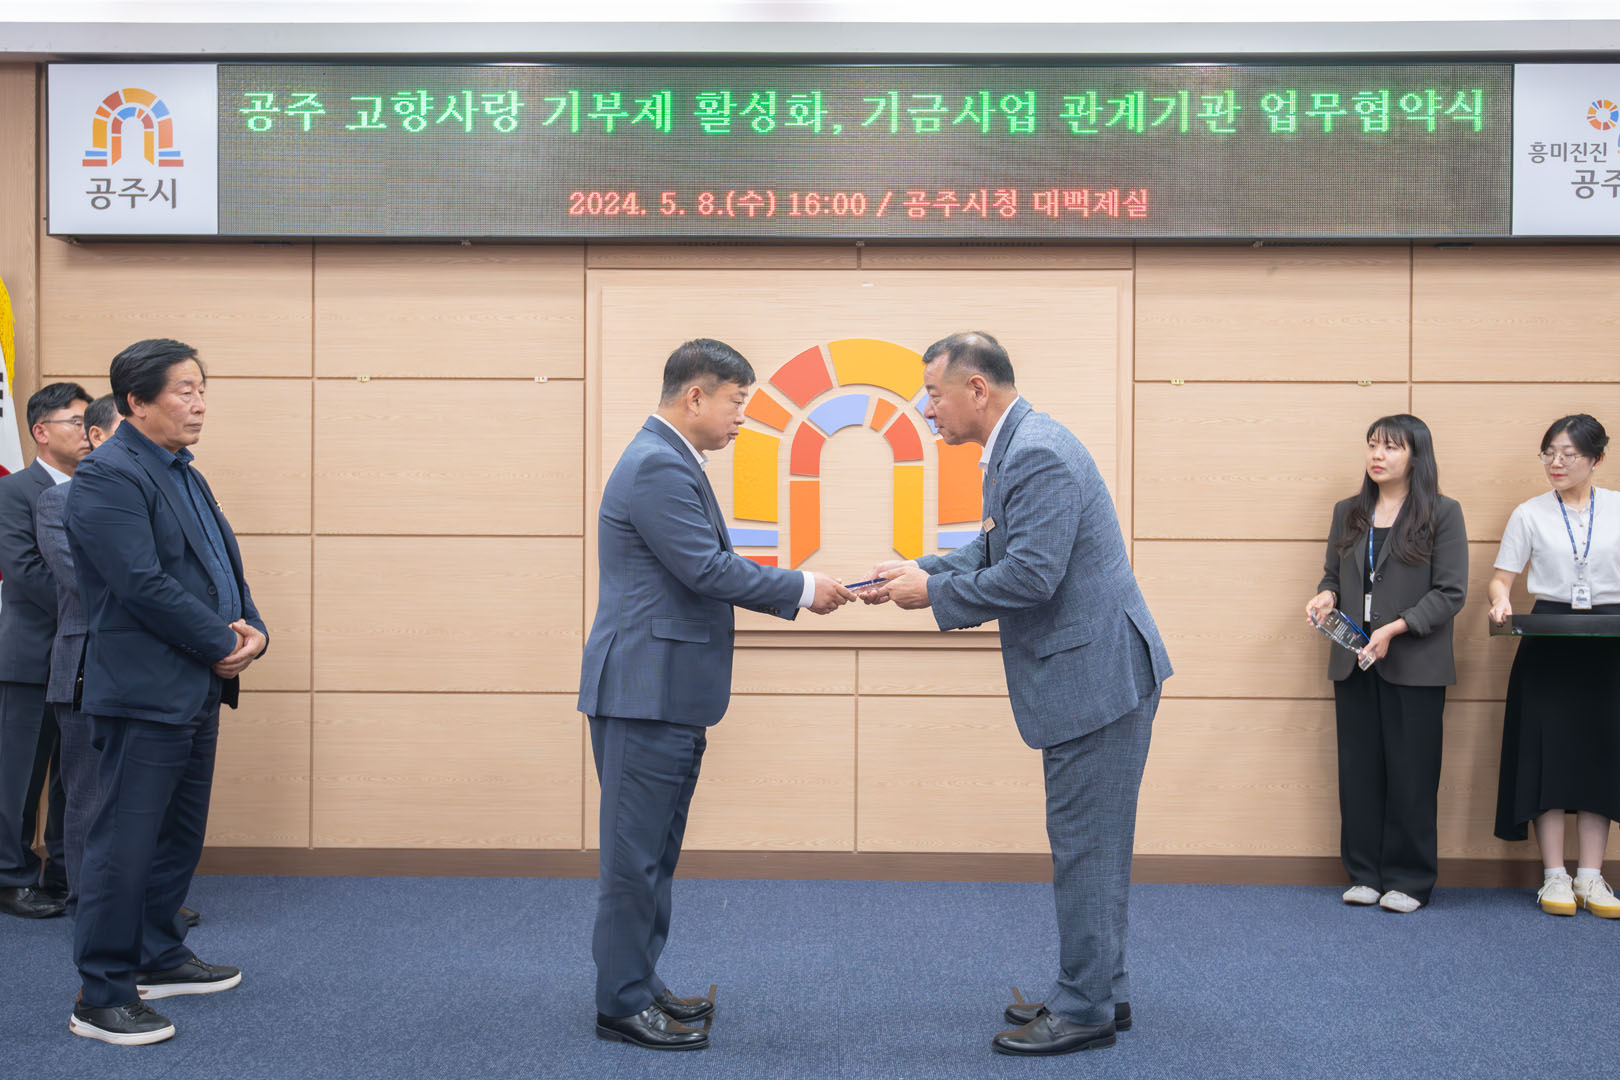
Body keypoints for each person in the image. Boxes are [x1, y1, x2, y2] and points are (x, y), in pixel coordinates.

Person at [863, 331, 1172, 1058]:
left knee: (1085, 850)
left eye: (933, 393)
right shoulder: (1017, 445)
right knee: (1094, 846)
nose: (926, 409)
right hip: (1095, 673)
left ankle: (1085, 1009)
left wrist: (932, 594)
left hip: (1098, 680)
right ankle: (1103, 988)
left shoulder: (1036, 452)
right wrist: (921, 568)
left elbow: (1031, 576)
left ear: (977, 389)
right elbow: (997, 548)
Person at [578, 338, 855, 1052]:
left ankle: (640, 984)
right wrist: (803, 587)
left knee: (654, 855)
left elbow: (704, 567)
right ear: (695, 396)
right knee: (633, 859)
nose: (742, 417)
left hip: (666, 693)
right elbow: (706, 569)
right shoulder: (656, 465)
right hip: (644, 694)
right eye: (736, 402)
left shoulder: (669, 461)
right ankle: (620, 1004)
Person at [64, 339, 269, 1045]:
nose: (199, 403)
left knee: (177, 835)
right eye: (184, 390)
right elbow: (140, 583)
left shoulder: (183, 471)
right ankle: (101, 994)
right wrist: (220, 642)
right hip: (142, 692)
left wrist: (254, 631)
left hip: (192, 686)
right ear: (136, 401)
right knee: (123, 844)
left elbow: (219, 569)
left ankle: (157, 953)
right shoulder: (108, 474)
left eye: (202, 389)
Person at [1305, 415, 1467, 914]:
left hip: (1415, 661)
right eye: (1373, 445)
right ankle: (1364, 873)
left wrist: (1397, 627)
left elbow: (1451, 592)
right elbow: (1332, 575)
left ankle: (1409, 880)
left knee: (1412, 774)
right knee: (1359, 771)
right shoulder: (1349, 512)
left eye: (1391, 447)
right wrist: (1326, 596)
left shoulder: (1442, 512)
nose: (1378, 455)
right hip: (1354, 659)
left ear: (1416, 456)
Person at [1487, 413, 1619, 919]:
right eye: (1549, 453)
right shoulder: (1529, 513)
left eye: (1568, 454)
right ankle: (1554, 875)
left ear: (1597, 458)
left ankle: (1591, 875)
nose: (1556, 463)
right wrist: (1500, 600)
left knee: (1600, 751)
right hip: (1547, 635)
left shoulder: (1618, 509)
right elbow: (1501, 579)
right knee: (1546, 752)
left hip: (1609, 638)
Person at [0, 381, 92, 919]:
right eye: (76, 422)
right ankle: (11, 878)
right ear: (41, 431)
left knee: (73, 777)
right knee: (19, 777)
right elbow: (25, 571)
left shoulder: (97, 487)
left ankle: (63, 872)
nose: (87, 432)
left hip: (86, 660)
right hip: (32, 657)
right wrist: (98, 609)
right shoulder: (14, 491)